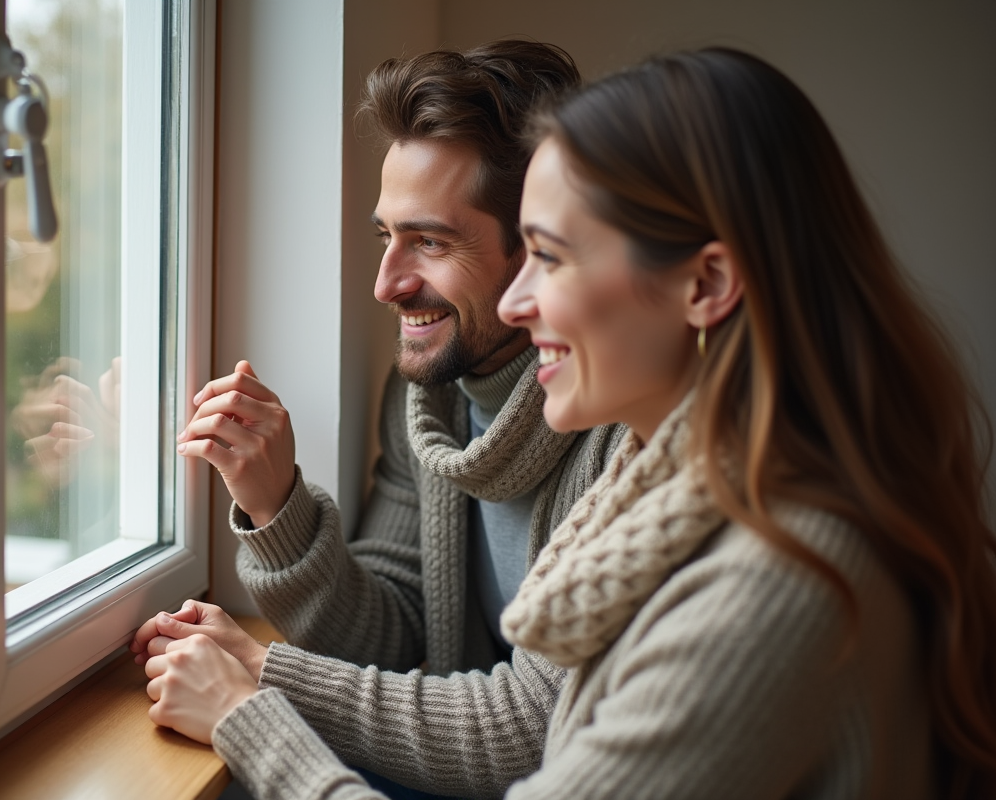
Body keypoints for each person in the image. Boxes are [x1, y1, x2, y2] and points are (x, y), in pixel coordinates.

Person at [138, 48, 996, 798]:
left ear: (705, 287)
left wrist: (255, 712)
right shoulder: (681, 476)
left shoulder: (772, 581)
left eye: (549, 254)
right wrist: (276, 517)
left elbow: (532, 719)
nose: (520, 302)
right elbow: (411, 637)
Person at [133, 40, 625, 796]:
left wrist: (261, 676)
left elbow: (537, 727)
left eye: (429, 241)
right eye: (385, 236)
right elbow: (393, 631)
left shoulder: (625, 428)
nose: (386, 283)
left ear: (536, 248)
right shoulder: (427, 398)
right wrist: (275, 505)